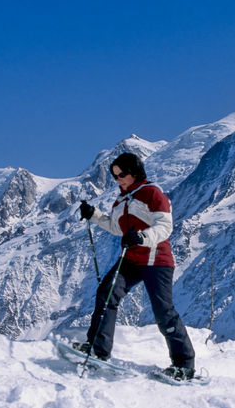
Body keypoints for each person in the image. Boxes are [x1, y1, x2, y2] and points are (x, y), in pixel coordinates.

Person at [78, 152, 196, 380]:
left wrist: (142, 237)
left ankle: (184, 364)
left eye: (122, 174)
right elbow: (116, 227)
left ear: (135, 172)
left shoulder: (152, 193)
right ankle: (98, 350)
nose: (118, 179)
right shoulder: (121, 201)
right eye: (115, 176)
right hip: (131, 258)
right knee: (107, 292)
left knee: (164, 311)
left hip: (156, 259)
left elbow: (164, 226)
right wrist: (94, 215)